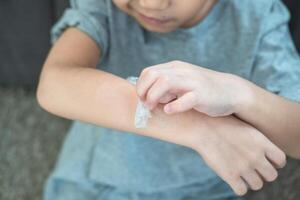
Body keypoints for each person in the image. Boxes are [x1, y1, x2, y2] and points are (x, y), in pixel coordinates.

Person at [36, 0, 300, 199]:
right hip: (93, 180)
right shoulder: (103, 7)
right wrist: (198, 126)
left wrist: (239, 94)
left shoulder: (258, 15)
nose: (152, 4)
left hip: (200, 189)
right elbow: (54, 83)